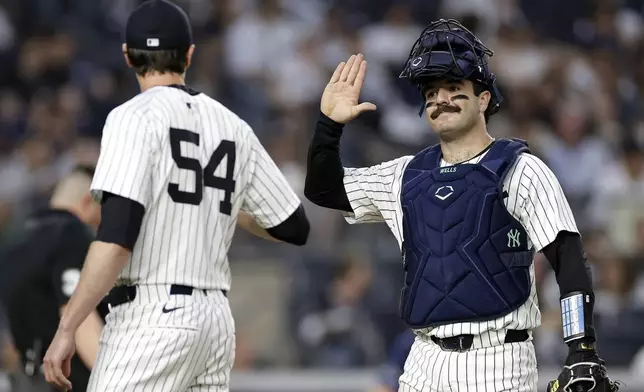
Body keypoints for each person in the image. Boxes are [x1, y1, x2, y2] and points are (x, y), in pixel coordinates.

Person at [305, 19, 618, 392]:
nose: (441, 99)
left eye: (454, 88)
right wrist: (329, 126)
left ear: (483, 98)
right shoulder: (404, 175)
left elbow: (568, 257)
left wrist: (580, 347)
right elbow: (324, 190)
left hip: (498, 359)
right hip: (422, 360)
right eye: (432, 92)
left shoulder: (520, 168)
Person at [43, 1, 310, 391]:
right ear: (188, 54)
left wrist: (69, 326)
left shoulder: (132, 117)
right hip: (215, 321)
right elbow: (292, 225)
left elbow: (117, 236)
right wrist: (221, 202)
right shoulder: (232, 125)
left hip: (152, 315)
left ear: (127, 56)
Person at [0, 166, 103, 392]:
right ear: (87, 201)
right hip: (72, 380)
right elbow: (78, 318)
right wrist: (116, 379)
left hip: (29, 379)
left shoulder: (16, 240)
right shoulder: (72, 233)